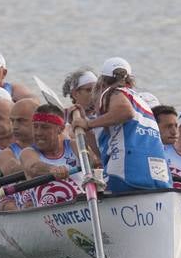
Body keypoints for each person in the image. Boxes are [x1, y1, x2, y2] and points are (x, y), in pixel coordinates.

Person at [70, 57, 170, 193]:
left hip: (127, 173)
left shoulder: (112, 92)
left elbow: (125, 112)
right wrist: (86, 128)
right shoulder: (140, 101)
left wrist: (88, 123)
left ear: (101, 84)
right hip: (160, 177)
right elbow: (101, 154)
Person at [0, 103, 86, 210]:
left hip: (82, 205)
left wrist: (85, 125)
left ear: (60, 129)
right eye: (35, 127)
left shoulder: (74, 145)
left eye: (45, 127)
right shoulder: (28, 152)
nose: (38, 132)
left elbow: (95, 161)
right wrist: (52, 169)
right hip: (49, 214)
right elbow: (33, 167)